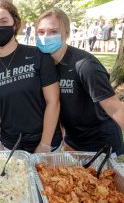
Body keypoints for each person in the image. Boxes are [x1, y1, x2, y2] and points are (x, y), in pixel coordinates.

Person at [35, 8, 124, 156]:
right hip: (73, 143)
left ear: (67, 33)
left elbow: (115, 109)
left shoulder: (84, 65)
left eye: (53, 32)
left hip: (102, 145)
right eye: (41, 32)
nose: (46, 37)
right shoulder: (45, 66)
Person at [0, 1, 62, 153]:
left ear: (15, 24)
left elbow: (53, 101)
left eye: (4, 21)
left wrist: (45, 144)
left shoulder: (38, 55)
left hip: (46, 143)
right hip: (10, 145)